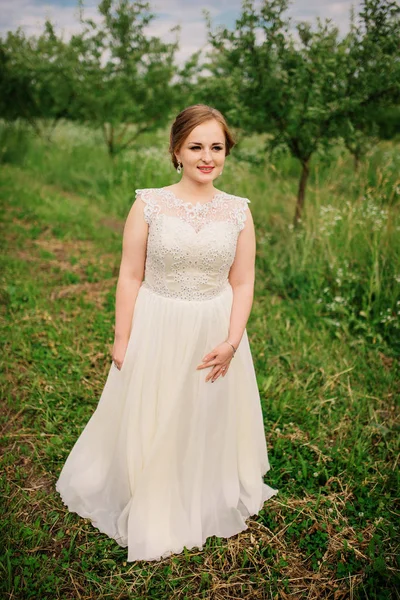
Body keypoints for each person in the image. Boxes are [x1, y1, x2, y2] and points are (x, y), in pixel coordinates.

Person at [55, 104, 278, 562]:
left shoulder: (238, 212)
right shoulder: (149, 203)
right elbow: (129, 274)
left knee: (203, 410)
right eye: (196, 146)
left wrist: (232, 341)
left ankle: (199, 483)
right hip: (158, 322)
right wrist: (123, 337)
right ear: (176, 150)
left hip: (213, 328)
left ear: (226, 152)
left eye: (217, 147)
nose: (207, 157)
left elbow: (242, 282)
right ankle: (147, 488)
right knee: (154, 410)